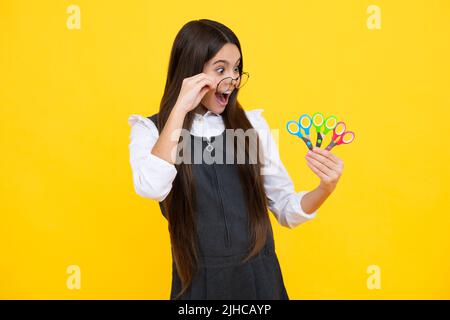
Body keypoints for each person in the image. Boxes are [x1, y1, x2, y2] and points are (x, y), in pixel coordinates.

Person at [128, 19, 344, 300]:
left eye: (237, 68)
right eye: (221, 69)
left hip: (261, 284)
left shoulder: (252, 125)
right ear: (192, 73)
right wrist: (180, 107)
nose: (233, 80)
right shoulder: (150, 131)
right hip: (197, 288)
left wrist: (325, 188)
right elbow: (152, 187)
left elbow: (287, 209)